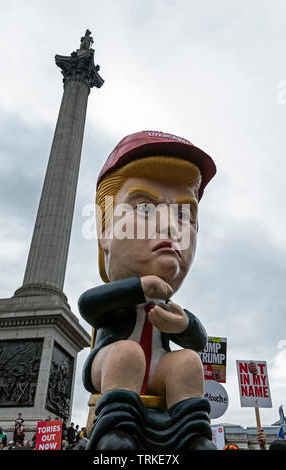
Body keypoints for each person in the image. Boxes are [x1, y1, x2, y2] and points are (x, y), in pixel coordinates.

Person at [78, 130, 217, 450]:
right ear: (103, 228)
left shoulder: (170, 305)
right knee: (126, 353)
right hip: (110, 365)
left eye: (184, 213)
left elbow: (198, 341)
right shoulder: (119, 295)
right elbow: (89, 305)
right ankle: (116, 434)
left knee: (187, 363)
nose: (170, 225)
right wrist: (138, 289)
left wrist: (183, 325)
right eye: (144, 208)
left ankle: (194, 436)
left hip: (159, 370)